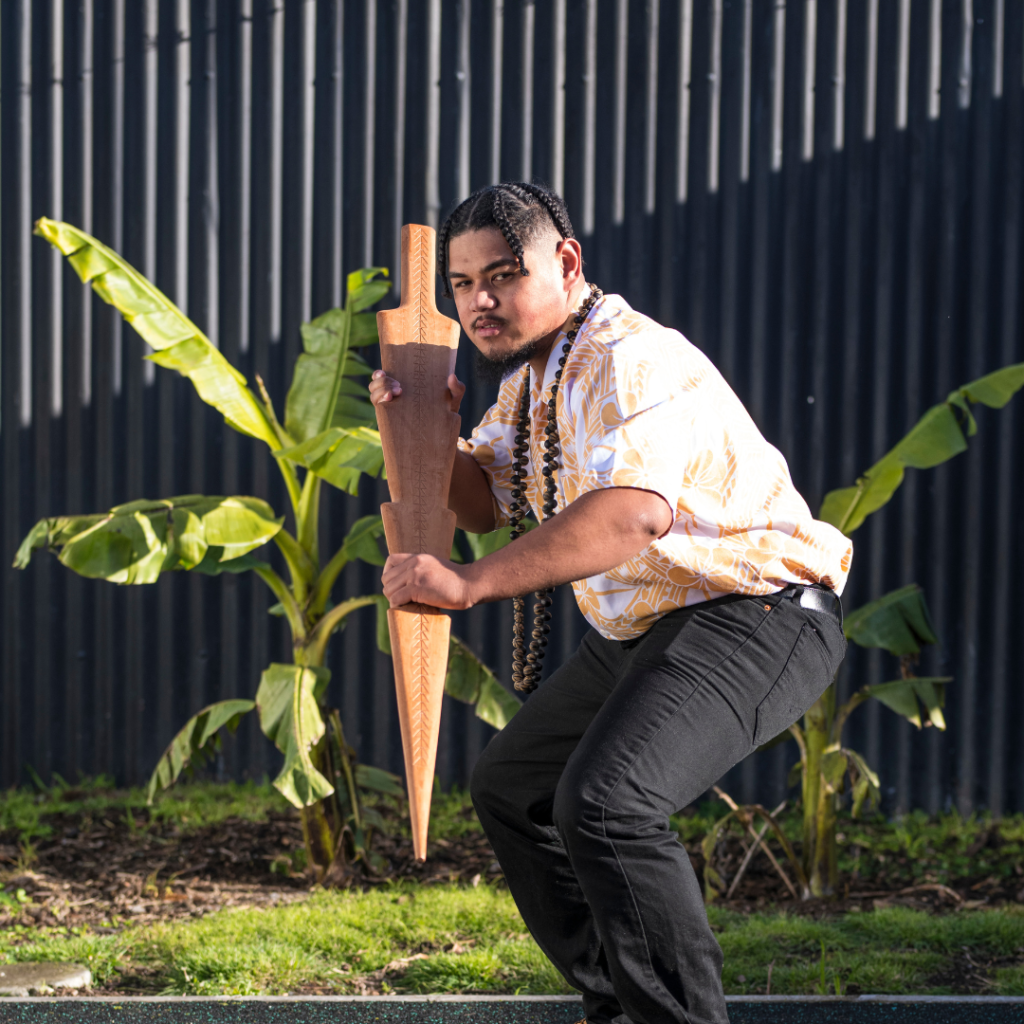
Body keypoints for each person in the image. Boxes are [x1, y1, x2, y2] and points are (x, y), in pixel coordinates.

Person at [370, 182, 852, 1024]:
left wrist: (472, 583)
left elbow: (634, 512)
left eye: (502, 275)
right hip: (647, 629)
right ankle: (624, 1004)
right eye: (461, 283)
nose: (480, 301)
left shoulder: (631, 357)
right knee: (514, 787)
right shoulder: (536, 378)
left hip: (754, 613)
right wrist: (425, 433)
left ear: (566, 262)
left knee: (607, 804)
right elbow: (481, 501)